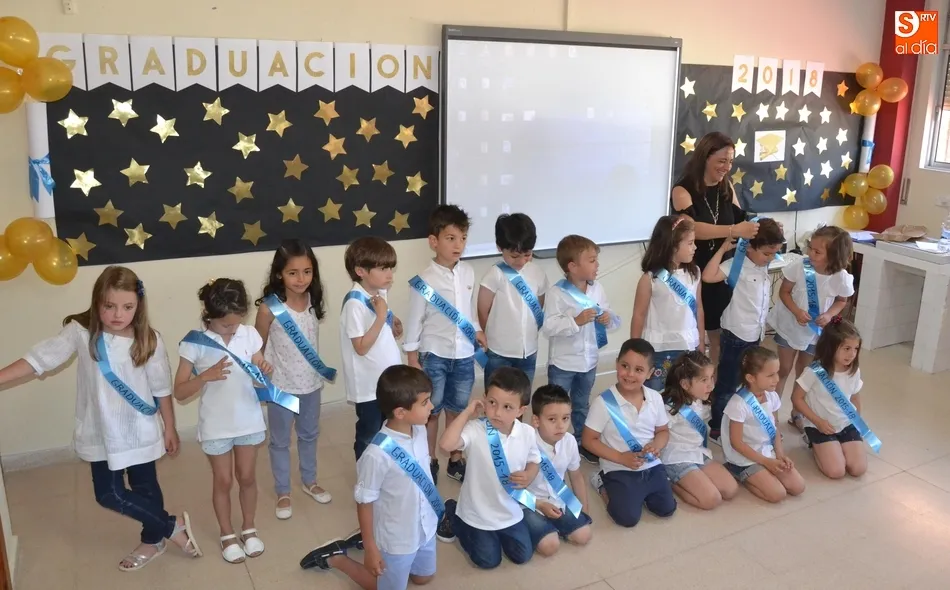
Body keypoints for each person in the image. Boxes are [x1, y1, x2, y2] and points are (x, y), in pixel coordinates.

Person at [0, 266, 202, 571]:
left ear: (139, 305)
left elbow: (161, 388)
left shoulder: (148, 339)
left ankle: (153, 539)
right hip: (100, 431)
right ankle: (170, 526)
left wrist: (170, 427)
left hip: (140, 429)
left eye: (128, 307)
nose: (118, 314)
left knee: (145, 486)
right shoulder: (81, 333)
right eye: (109, 306)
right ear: (97, 302)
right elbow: (38, 360)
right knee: (109, 494)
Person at [300, 366, 440, 590]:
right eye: (425, 403)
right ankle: (337, 558)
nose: (431, 406)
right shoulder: (377, 455)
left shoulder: (420, 429)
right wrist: (371, 547)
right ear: (400, 413)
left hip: (425, 526)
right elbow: (364, 501)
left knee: (423, 578)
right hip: (397, 537)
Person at [175, 278, 271, 563]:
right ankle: (227, 533)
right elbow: (179, 391)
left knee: (247, 476)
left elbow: (259, 376)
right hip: (216, 425)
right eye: (226, 325)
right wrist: (205, 376)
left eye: (236, 323)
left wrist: (263, 370)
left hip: (248, 419)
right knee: (224, 480)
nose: (232, 329)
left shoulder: (249, 334)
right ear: (209, 317)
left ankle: (249, 528)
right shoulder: (194, 343)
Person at [404, 204, 486, 485]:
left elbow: (469, 310)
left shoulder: (469, 272)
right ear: (433, 241)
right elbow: (414, 320)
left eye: (462, 238)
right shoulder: (424, 280)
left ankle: (455, 457)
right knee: (431, 411)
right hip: (434, 355)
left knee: (457, 408)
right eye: (451, 238)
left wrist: (477, 330)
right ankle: (429, 458)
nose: (458, 245)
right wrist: (412, 357)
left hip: (464, 355)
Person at [254, 239, 334, 521]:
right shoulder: (269, 308)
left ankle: (309, 480)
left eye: (307, 272)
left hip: (310, 385)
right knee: (279, 441)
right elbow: (256, 347)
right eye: (293, 273)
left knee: (309, 435)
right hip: (281, 387)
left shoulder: (313, 301)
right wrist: (259, 366)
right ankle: (283, 490)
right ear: (279, 274)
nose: (301, 279)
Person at [435, 367, 542, 569]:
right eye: (492, 403)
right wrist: (467, 412)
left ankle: (491, 531)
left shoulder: (527, 432)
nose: (497, 412)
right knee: (488, 561)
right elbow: (446, 445)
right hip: (477, 512)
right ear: (484, 400)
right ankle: (453, 512)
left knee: (523, 555)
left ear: (521, 410)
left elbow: (535, 460)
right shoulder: (476, 429)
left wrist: (529, 475)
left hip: (509, 511)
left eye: (507, 407)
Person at [671, 132, 760, 366]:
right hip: (696, 269)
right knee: (698, 333)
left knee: (721, 335)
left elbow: (741, 218)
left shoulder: (726, 186)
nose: (727, 167)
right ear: (705, 157)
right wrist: (732, 230)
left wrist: (762, 227)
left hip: (724, 269)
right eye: (721, 161)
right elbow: (691, 229)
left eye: (730, 161)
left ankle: (716, 379)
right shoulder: (682, 190)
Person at [701, 217, 785, 442]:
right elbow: (707, 276)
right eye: (767, 253)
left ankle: (738, 421)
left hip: (755, 335)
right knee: (727, 384)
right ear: (748, 247)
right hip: (735, 336)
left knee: (747, 382)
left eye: (774, 253)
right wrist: (722, 248)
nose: (771, 258)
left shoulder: (763, 264)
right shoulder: (736, 265)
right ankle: (717, 427)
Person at [542, 234, 621, 463]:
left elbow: (610, 314)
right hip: (563, 363)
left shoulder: (597, 289)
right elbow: (549, 327)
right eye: (592, 260)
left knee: (581, 404)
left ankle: (581, 442)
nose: (597, 265)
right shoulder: (557, 293)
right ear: (573, 266)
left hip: (589, 362)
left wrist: (608, 318)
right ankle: (551, 444)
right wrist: (575, 321)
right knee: (555, 406)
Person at [581, 339, 677, 527]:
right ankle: (601, 482)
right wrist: (621, 458)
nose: (630, 374)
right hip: (618, 467)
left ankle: (640, 491)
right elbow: (588, 440)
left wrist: (656, 446)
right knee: (627, 518)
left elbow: (663, 431)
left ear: (650, 373)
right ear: (616, 363)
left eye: (639, 370)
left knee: (667, 508)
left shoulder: (655, 398)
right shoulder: (603, 402)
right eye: (625, 366)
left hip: (651, 464)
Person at [768, 225, 854, 431]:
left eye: (817, 251)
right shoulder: (800, 265)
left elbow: (842, 300)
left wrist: (829, 315)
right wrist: (797, 311)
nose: (810, 254)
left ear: (834, 256)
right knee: (783, 369)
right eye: (810, 248)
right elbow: (784, 292)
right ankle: (771, 414)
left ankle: (797, 412)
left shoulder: (840, 277)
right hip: (790, 326)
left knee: (805, 373)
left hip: (815, 333)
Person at [338, 237, 403, 461]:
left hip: (387, 379)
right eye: (383, 269)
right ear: (360, 271)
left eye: (391, 268)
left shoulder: (378, 292)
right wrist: (381, 318)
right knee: (369, 434)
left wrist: (391, 320)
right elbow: (361, 347)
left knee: (389, 430)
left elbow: (378, 322)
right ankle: (366, 475)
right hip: (368, 386)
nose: (390, 275)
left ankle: (383, 469)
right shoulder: (354, 303)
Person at [721, 346, 805, 503]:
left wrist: (780, 454)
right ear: (751, 378)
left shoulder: (772, 396)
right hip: (744, 458)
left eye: (777, 373)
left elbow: (775, 427)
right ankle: (739, 473)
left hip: (767, 451)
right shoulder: (738, 404)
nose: (777, 379)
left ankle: (763, 472)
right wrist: (766, 462)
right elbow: (736, 443)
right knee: (777, 494)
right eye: (770, 375)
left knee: (798, 486)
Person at [631, 214, 704, 390]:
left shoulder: (695, 273)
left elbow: (699, 308)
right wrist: (634, 349)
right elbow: (639, 315)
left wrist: (701, 341)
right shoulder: (650, 278)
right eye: (690, 243)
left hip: (688, 346)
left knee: (686, 393)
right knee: (657, 394)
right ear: (672, 245)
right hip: (659, 348)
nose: (695, 247)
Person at [477, 213, 549, 390]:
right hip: (499, 351)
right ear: (500, 247)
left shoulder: (538, 273)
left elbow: (539, 306)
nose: (521, 261)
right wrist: (492, 336)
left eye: (527, 255)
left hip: (529, 351)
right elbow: (482, 310)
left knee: (522, 397)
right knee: (496, 395)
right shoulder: (494, 274)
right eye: (515, 256)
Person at [792, 318, 870, 479]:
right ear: (831, 346)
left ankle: (837, 446)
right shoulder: (815, 371)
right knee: (836, 471)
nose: (852, 354)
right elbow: (796, 398)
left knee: (858, 469)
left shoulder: (854, 371)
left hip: (845, 424)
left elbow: (855, 396)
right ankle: (813, 443)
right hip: (820, 425)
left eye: (855, 349)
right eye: (846, 348)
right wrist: (818, 422)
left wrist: (858, 423)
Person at [660, 351, 738, 509]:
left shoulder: (703, 400)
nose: (711, 385)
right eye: (704, 380)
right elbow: (657, 434)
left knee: (730, 490)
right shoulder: (670, 408)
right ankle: (671, 482)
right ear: (685, 384)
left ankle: (694, 478)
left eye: (711, 377)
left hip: (697, 452)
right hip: (676, 458)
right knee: (711, 499)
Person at [522, 384, 592, 556]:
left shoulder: (569, 441)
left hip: (558, 497)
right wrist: (538, 504)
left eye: (565, 418)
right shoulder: (524, 443)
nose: (561, 426)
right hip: (529, 502)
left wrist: (583, 510)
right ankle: (540, 527)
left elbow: (576, 476)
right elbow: (512, 487)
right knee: (550, 546)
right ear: (536, 420)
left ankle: (550, 527)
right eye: (552, 419)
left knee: (584, 535)